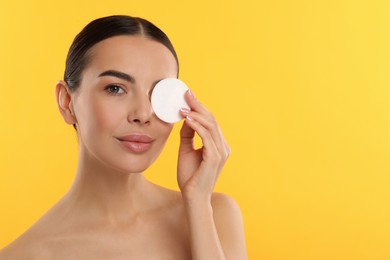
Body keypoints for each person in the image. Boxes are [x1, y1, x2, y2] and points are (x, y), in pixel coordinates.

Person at [0, 15, 247, 259]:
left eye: (158, 94)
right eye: (115, 88)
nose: (143, 113)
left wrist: (198, 204)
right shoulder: (26, 254)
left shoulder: (215, 215)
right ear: (67, 102)